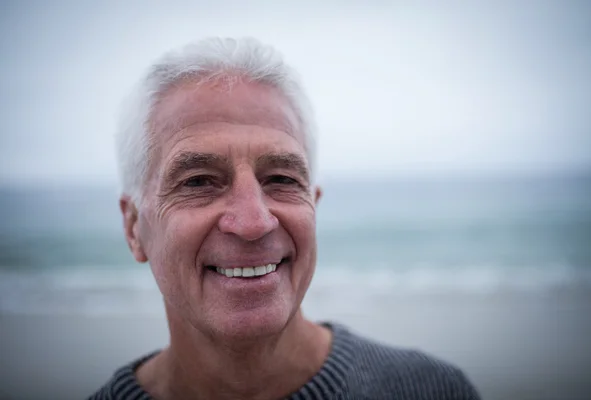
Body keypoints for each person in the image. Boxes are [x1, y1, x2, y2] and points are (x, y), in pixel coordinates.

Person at [90, 37, 480, 400]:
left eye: (281, 179)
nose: (254, 221)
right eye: (199, 181)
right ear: (134, 228)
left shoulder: (431, 390)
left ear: (314, 206)